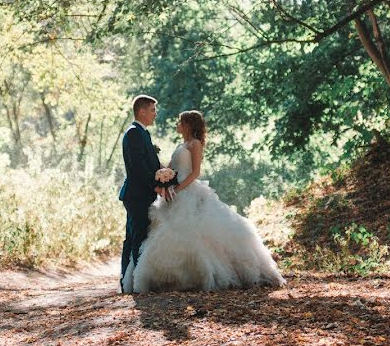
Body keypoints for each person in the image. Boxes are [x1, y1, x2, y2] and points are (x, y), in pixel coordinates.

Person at [122, 110, 285, 293]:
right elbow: (171, 167)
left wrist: (178, 188)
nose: (177, 124)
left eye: (180, 121)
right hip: (174, 191)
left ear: (188, 125)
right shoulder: (181, 144)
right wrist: (161, 172)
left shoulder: (195, 144)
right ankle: (167, 278)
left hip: (187, 190)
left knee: (195, 230)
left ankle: (198, 275)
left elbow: (195, 173)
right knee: (165, 230)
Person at [118, 95, 166, 292]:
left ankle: (132, 281)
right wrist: (155, 186)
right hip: (136, 195)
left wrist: (168, 175)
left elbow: (151, 165)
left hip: (142, 194)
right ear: (142, 111)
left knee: (137, 236)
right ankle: (135, 283)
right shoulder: (133, 133)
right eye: (153, 110)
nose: (156, 114)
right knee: (135, 237)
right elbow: (138, 167)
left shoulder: (142, 133)